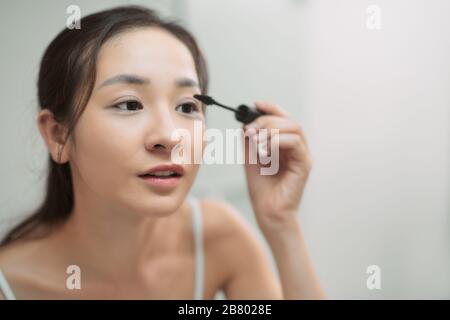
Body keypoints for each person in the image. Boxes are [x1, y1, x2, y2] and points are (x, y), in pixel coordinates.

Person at [0, 5, 325, 300]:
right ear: (58, 135)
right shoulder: (12, 283)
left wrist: (282, 226)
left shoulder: (220, 238)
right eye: (129, 104)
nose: (170, 137)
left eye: (186, 106)